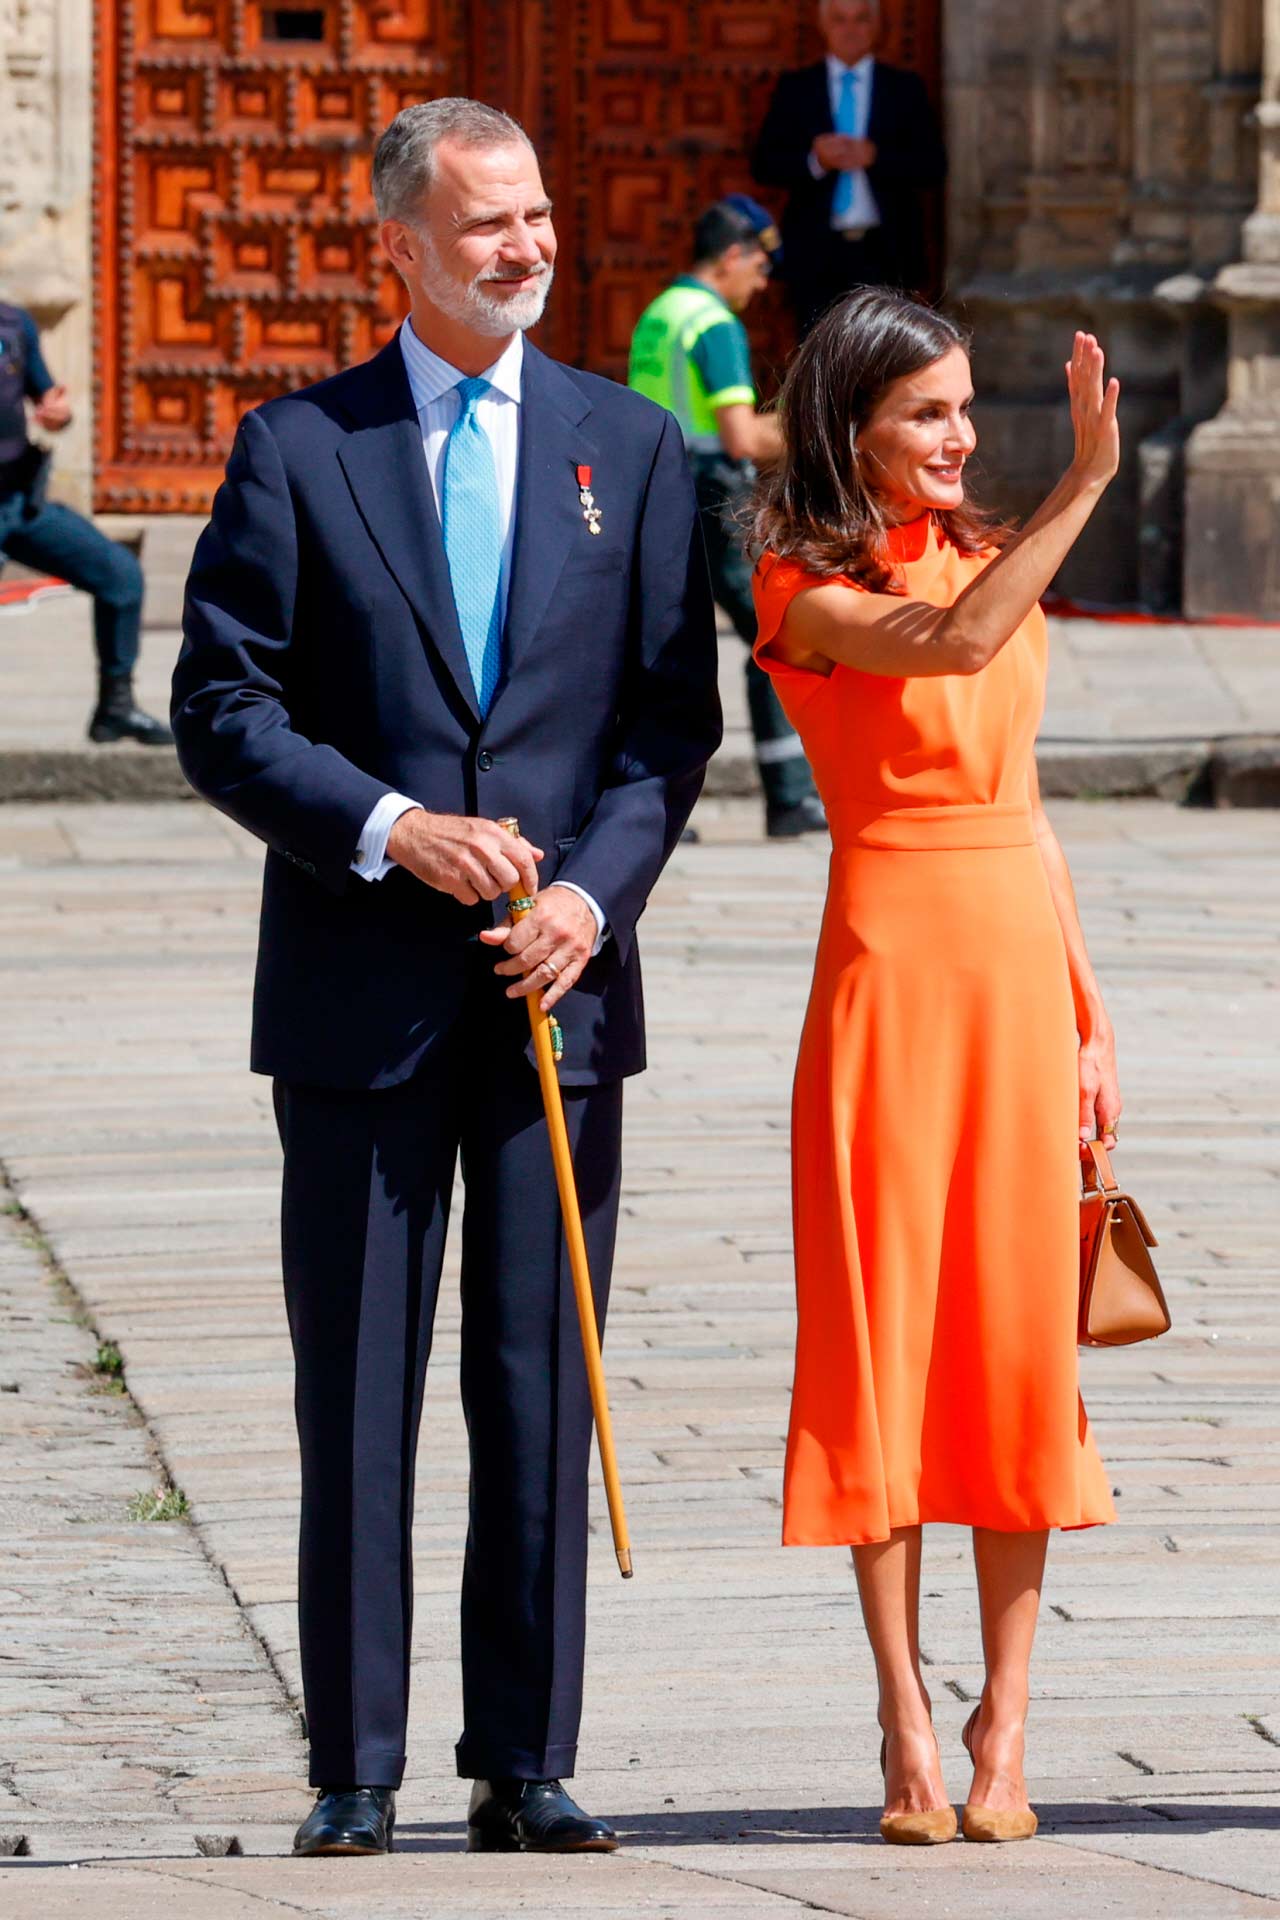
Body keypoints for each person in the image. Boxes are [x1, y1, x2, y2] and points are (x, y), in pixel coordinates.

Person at [172, 97, 720, 1859]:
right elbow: (222, 707)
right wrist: (392, 826)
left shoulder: (631, 446)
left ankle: (525, 1759)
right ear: (399, 248)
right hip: (361, 1003)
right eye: (489, 224)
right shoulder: (298, 449)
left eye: (538, 215)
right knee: (359, 1389)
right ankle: (356, 1766)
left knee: (538, 1378)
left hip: (558, 997)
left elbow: (667, 729)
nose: (528, 247)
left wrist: (595, 902)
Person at [748, 289, 1122, 1845]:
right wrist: (1088, 482)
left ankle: (1005, 1723)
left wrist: (1089, 1016)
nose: (961, 437)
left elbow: (1025, 806)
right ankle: (905, 1713)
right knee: (883, 1343)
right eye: (928, 413)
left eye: (967, 408)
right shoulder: (803, 586)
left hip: (1015, 976)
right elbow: (955, 652)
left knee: (1018, 1348)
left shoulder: (991, 557)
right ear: (853, 428)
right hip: (888, 980)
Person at [627, 196, 824, 838]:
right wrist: (820, 429)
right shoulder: (713, 322)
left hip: (658, 490)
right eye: (760, 268)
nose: (762, 284)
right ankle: (790, 798)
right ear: (732, 256)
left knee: (664, 649)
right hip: (713, 494)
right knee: (777, 635)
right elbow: (741, 436)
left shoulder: (660, 314)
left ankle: (648, 800)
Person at [0, 299, 172, 745]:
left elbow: (50, 401)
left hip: (19, 504)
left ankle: (116, 708)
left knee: (120, 575)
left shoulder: (14, 323)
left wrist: (58, 414)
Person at [750, 0, 947, 335]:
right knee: (818, 350)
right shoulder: (797, 88)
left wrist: (876, 157)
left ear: (876, 26)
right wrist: (816, 161)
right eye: (840, 20)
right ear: (824, 27)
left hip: (886, 252)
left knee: (885, 351)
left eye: (860, 20)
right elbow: (765, 165)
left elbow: (933, 165)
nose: (850, 30)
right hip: (817, 253)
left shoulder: (904, 88)